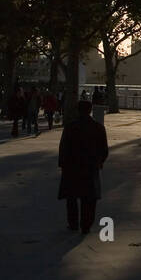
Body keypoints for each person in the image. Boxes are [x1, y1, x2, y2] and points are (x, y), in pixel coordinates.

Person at [58, 100, 109, 234]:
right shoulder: (98, 127)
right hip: (91, 167)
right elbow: (104, 149)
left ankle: (73, 223)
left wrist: (63, 164)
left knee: (72, 197)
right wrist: (100, 162)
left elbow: (63, 147)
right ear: (90, 110)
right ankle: (86, 225)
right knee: (89, 198)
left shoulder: (70, 127)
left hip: (72, 167)